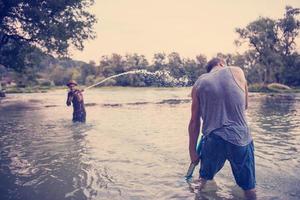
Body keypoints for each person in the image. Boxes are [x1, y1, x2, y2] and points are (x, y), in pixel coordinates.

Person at [188, 58, 256, 199]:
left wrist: (192, 152)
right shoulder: (237, 71)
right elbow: (245, 106)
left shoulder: (198, 83)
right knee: (249, 189)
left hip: (213, 139)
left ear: (209, 69)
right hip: (240, 138)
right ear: (221, 64)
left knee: (203, 182)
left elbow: (194, 121)